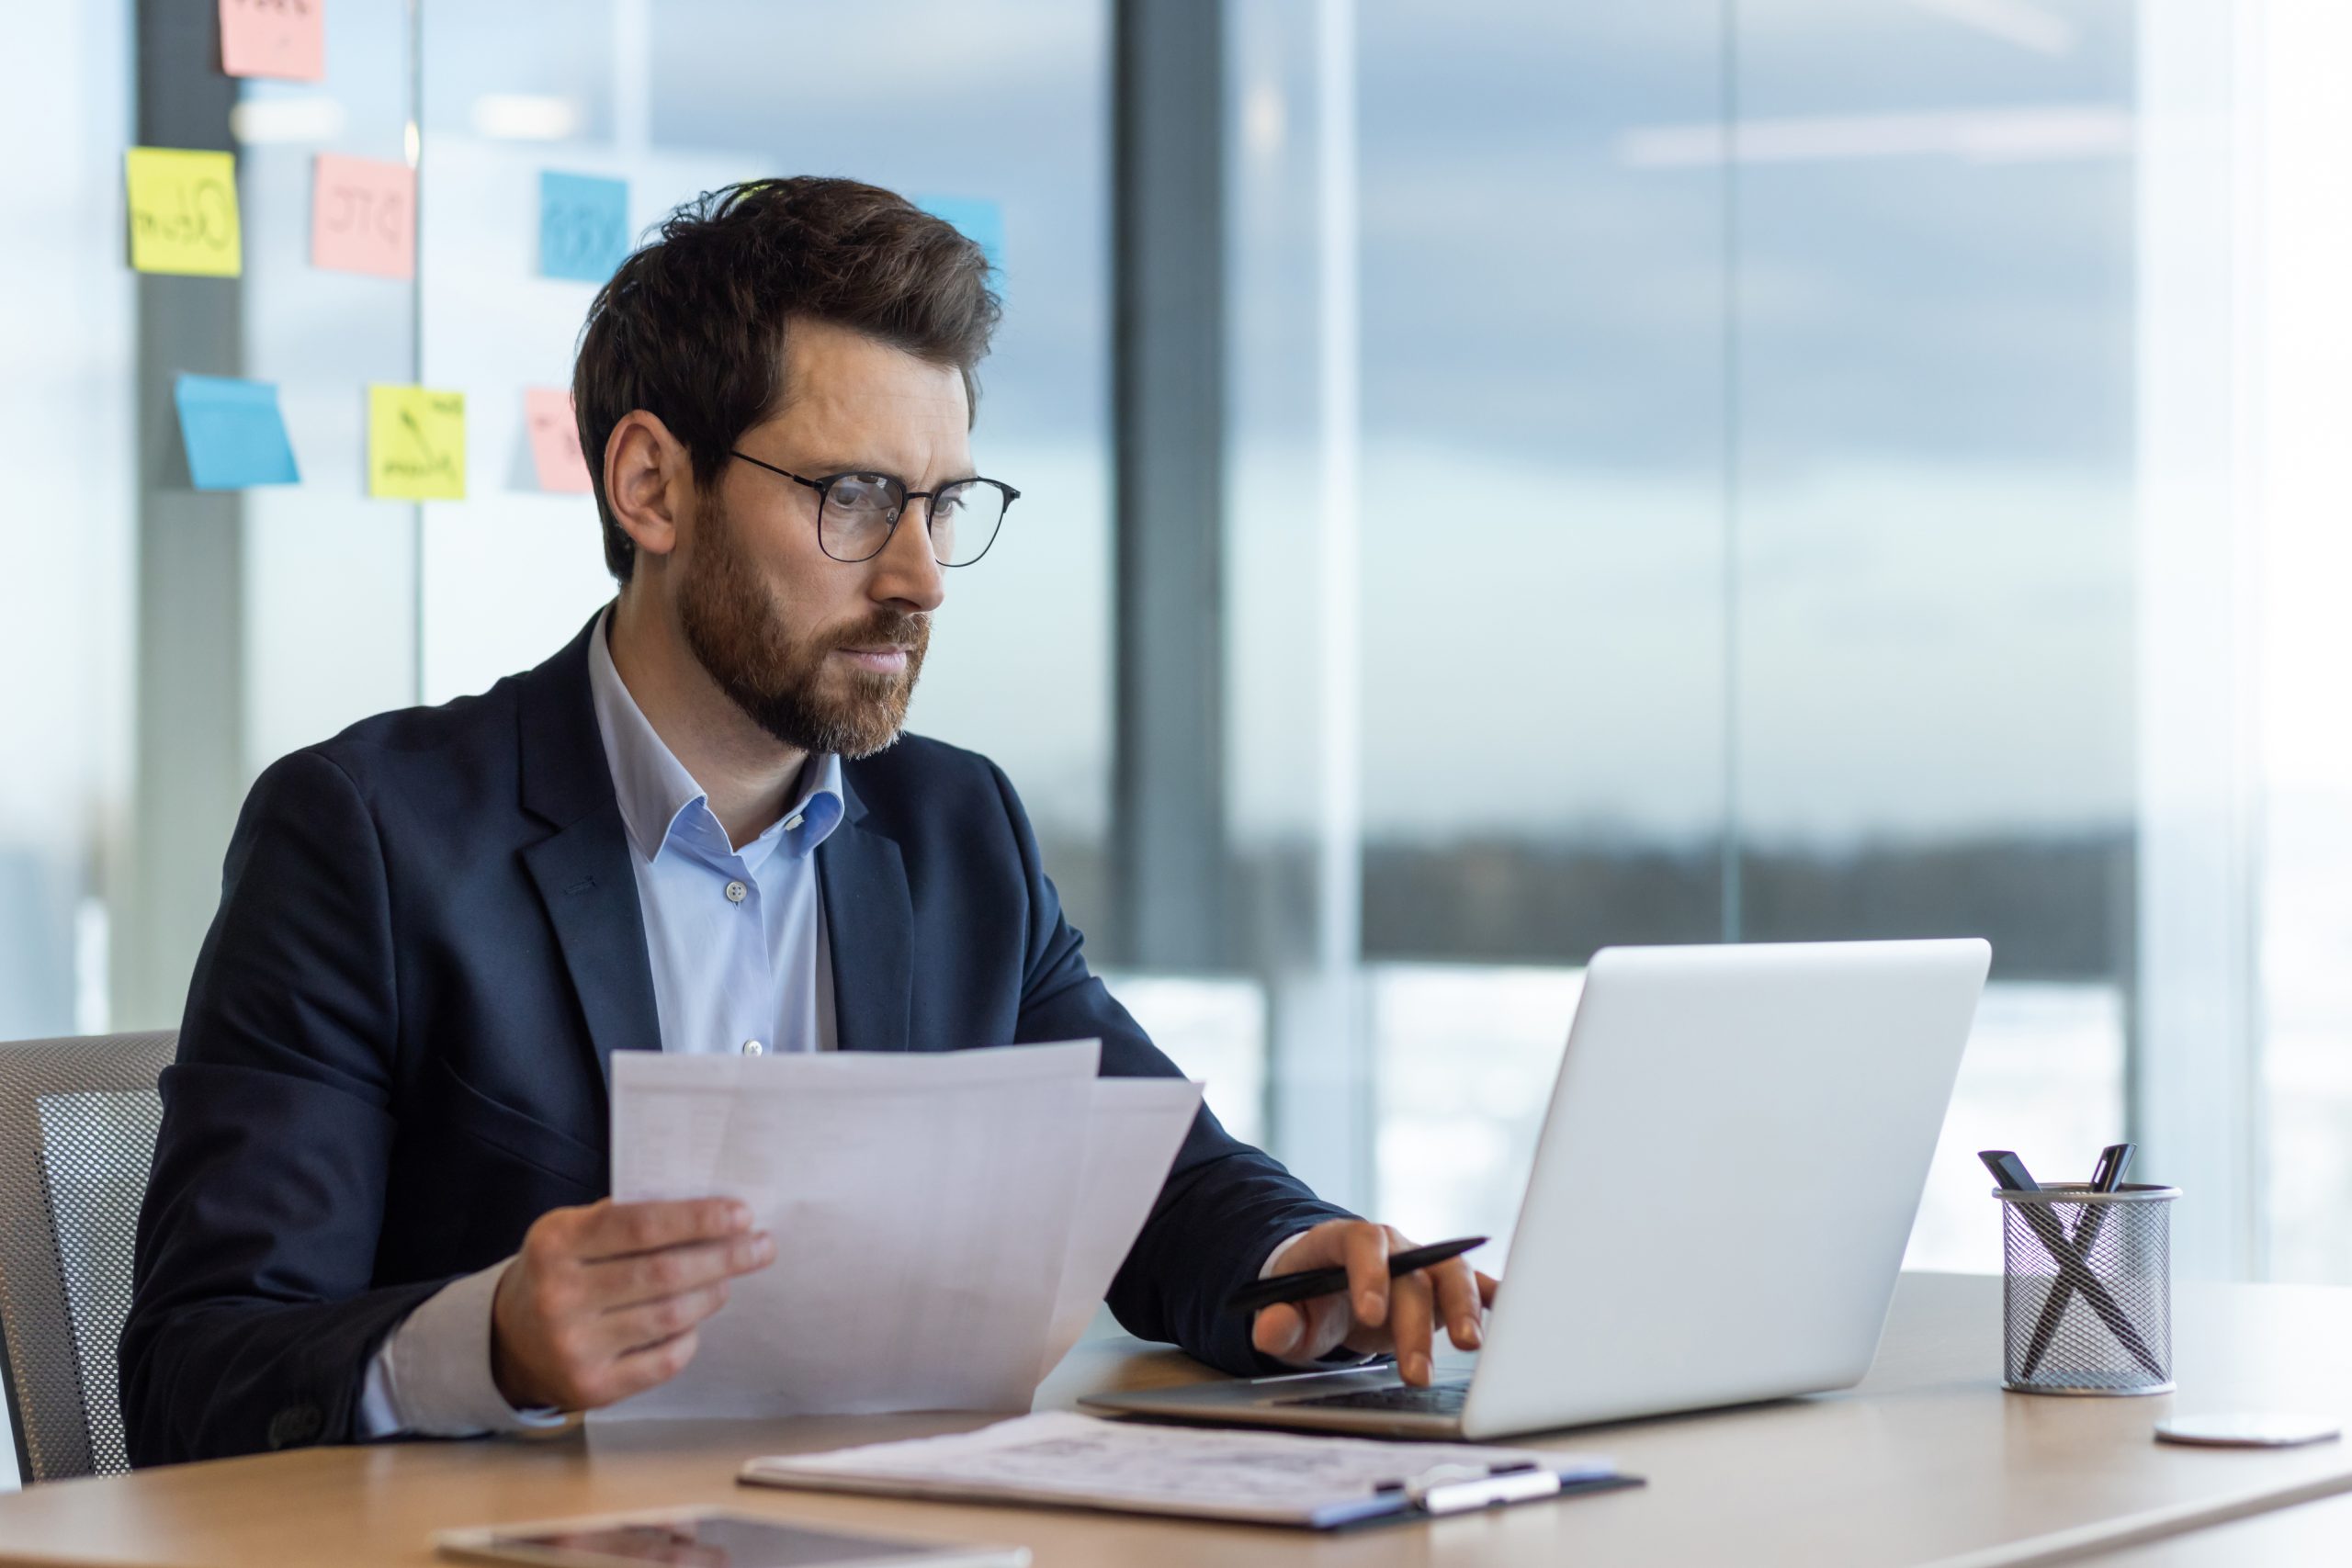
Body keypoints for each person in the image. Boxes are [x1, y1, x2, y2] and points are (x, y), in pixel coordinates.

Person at [119, 177, 1492, 1466]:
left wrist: (1303, 1256)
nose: (921, 578)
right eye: (854, 498)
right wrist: (491, 1342)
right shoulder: (367, 837)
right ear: (651, 485)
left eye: (943, 504)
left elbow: (1160, 1181)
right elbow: (196, 1372)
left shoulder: (958, 831)